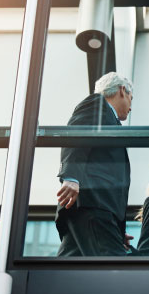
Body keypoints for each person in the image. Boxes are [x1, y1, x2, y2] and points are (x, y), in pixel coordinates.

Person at [55, 72, 134, 256]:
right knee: (113, 270)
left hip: (90, 208)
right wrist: (71, 177)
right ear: (122, 90)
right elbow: (75, 135)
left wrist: (118, 231)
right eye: (131, 97)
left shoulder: (111, 120)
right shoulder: (97, 105)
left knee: (67, 271)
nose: (131, 106)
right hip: (94, 204)